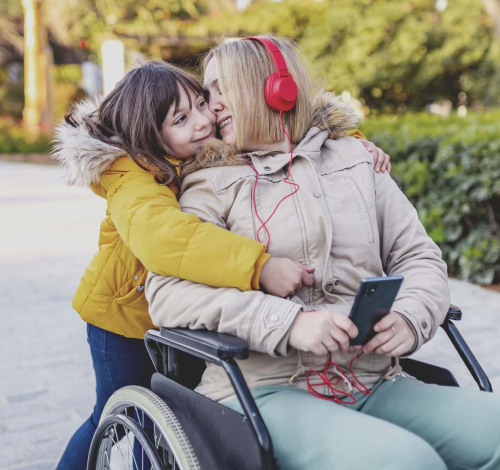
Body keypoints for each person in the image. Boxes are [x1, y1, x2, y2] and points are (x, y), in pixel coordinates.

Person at [146, 37, 500, 470]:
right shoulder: (210, 182)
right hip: (264, 389)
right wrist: (288, 322)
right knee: (408, 462)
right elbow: (166, 292)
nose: (210, 107)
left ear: (277, 89)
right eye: (206, 94)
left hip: (372, 378)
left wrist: (411, 315)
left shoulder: (357, 161)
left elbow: (419, 257)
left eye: (222, 90)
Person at [53, 60, 389, 469]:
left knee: (173, 416)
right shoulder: (130, 176)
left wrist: (350, 138)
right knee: (117, 410)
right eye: (181, 118)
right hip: (124, 317)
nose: (202, 121)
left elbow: (285, 120)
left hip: (183, 316)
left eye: (200, 104)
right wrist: (259, 266)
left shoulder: (203, 149)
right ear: (148, 135)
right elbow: (165, 238)